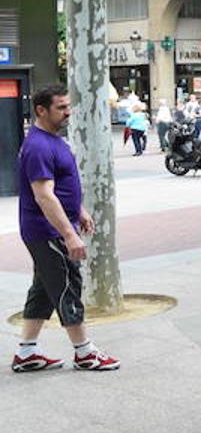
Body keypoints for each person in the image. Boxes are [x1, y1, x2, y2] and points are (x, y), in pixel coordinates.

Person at [12, 86, 120, 373]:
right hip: (48, 232)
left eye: (68, 106)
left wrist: (79, 211)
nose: (68, 112)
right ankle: (84, 352)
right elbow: (44, 195)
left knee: (44, 290)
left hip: (54, 229)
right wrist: (69, 234)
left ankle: (27, 352)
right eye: (61, 107)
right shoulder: (38, 146)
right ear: (41, 110)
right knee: (67, 287)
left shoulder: (53, 140)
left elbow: (60, 186)